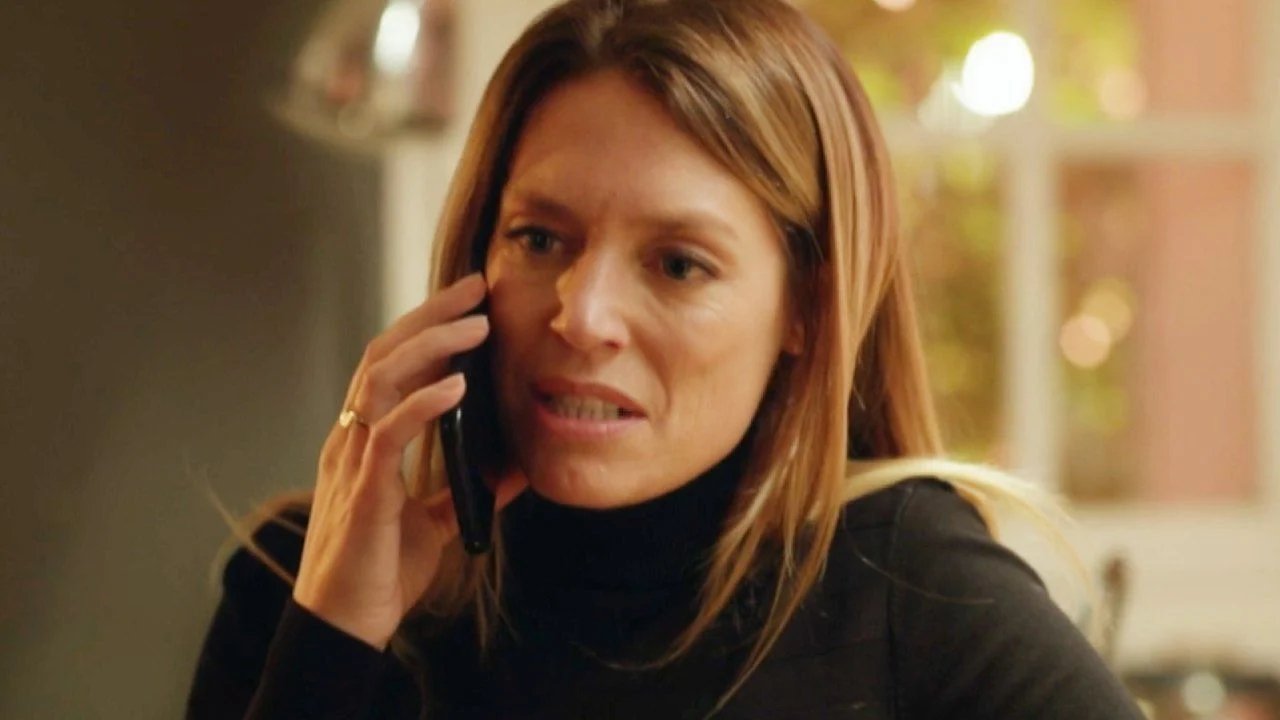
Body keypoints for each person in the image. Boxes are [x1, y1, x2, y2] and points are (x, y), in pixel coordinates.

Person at [186, 0, 1146, 717]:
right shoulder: (298, 585)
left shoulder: (908, 587)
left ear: (807, 310)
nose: (583, 315)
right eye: (539, 238)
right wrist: (332, 640)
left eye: (679, 264)